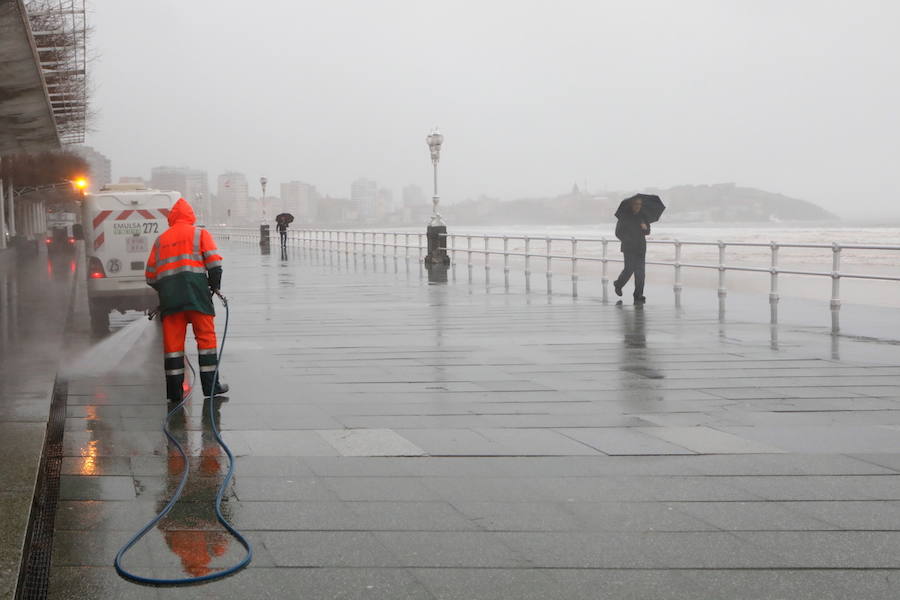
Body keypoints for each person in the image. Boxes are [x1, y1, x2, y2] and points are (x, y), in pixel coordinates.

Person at [145, 198, 229, 403]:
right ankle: (211, 387)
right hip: (198, 297)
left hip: (171, 302)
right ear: (191, 216)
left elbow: (150, 276)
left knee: (173, 347)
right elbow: (214, 265)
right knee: (206, 341)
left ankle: (174, 393)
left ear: (171, 218)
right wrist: (214, 287)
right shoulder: (200, 234)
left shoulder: (160, 240)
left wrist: (166, 291)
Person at [613, 196, 650, 304]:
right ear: (631, 205)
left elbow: (648, 232)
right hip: (629, 248)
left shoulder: (643, 216)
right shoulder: (624, 217)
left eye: (639, 204)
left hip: (641, 248)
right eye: (636, 204)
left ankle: (638, 295)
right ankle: (618, 284)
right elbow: (618, 232)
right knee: (629, 269)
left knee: (641, 273)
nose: (638, 206)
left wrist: (645, 228)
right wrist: (628, 240)